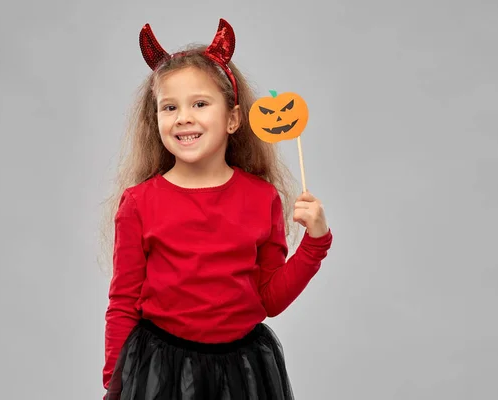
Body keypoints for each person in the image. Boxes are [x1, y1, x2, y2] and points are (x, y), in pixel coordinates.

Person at [101, 19, 333, 400]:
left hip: (240, 373)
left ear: (232, 119)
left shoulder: (262, 199)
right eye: (169, 107)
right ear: (155, 119)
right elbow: (124, 301)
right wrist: (115, 379)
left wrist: (315, 243)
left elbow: (269, 299)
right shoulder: (139, 203)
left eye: (200, 104)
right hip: (161, 368)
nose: (183, 117)